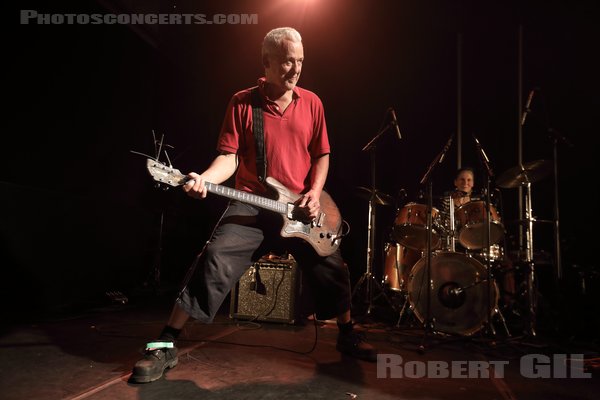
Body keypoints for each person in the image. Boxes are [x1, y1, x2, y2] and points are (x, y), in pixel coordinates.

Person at [130, 27, 376, 384]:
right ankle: (166, 340)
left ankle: (347, 332)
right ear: (267, 62)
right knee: (214, 257)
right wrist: (205, 179)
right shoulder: (243, 102)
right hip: (253, 206)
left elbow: (322, 155)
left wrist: (313, 192)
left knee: (332, 265)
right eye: (288, 61)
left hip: (301, 210)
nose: (296, 69)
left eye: (301, 61)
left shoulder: (313, 102)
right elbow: (228, 158)